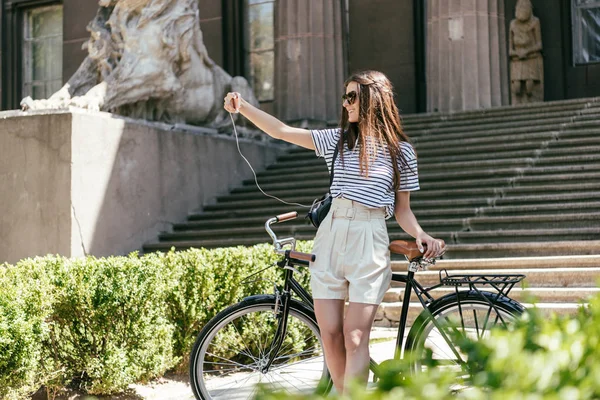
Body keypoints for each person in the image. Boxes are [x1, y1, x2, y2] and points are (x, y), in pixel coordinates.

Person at [223, 70, 445, 393]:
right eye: (345, 97)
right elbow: (282, 131)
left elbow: (402, 209)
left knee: (355, 336)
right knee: (330, 333)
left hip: (369, 238)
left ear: (372, 101)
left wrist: (421, 233)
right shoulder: (337, 141)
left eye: (352, 97)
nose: (346, 103)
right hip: (330, 236)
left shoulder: (401, 153)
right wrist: (242, 108)